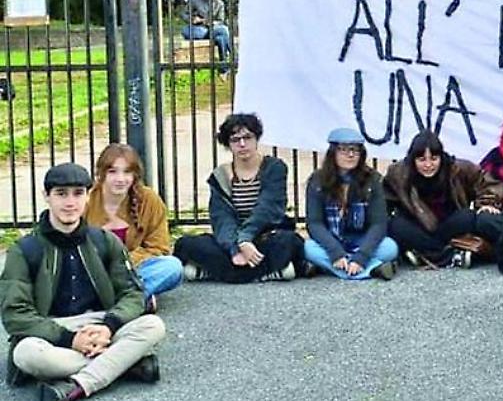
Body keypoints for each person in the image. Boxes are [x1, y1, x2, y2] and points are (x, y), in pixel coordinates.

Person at [1, 163, 165, 401]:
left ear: (88, 196)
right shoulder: (24, 250)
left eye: (78, 193)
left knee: (154, 325)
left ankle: (76, 386)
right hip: (52, 331)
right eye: (61, 194)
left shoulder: (104, 240)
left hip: (99, 324)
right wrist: (70, 339)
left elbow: (133, 293)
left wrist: (109, 326)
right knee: (25, 354)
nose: (70, 202)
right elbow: (15, 314)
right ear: (47, 196)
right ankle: (124, 364)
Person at [173, 113, 304, 282]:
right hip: (232, 242)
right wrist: (235, 248)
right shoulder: (220, 175)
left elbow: (268, 209)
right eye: (235, 140)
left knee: (289, 241)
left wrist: (245, 239)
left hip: (264, 237)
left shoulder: (274, 168)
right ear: (228, 144)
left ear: (257, 139)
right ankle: (268, 273)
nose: (242, 144)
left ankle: (213, 273)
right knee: (186, 243)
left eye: (247, 137)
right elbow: (222, 219)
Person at [385, 130, 503, 268]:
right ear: (413, 159)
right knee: (395, 225)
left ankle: (424, 255)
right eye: (422, 160)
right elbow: (385, 201)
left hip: (449, 225)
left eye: (434, 158)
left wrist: (487, 203)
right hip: (418, 225)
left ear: (441, 157)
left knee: (468, 216)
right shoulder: (398, 172)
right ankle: (450, 255)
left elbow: (486, 183)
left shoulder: (458, 168)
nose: (428, 165)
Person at [84, 144, 182, 310]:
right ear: (101, 174)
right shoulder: (86, 200)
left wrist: (123, 264)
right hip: (93, 271)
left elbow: (159, 247)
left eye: (127, 172)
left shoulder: (149, 199)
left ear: (135, 174)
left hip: (134, 269)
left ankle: (112, 301)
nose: (120, 179)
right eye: (113, 171)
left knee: (172, 267)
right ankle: (135, 300)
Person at [303, 128, 399, 280]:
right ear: (333, 152)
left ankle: (333, 268)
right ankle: (373, 269)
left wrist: (362, 257)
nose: (350, 154)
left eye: (355, 150)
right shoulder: (318, 180)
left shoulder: (372, 179)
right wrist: (335, 253)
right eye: (343, 150)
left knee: (390, 247)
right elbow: (315, 223)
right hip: (332, 240)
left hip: (361, 239)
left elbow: (379, 224)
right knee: (308, 248)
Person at [180, 0, 232, 69]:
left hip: (213, 29)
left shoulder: (219, 3)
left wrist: (211, 23)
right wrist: (192, 19)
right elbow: (184, 14)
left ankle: (224, 68)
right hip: (198, 29)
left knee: (222, 35)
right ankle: (234, 58)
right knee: (185, 31)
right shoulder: (196, 0)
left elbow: (221, 20)